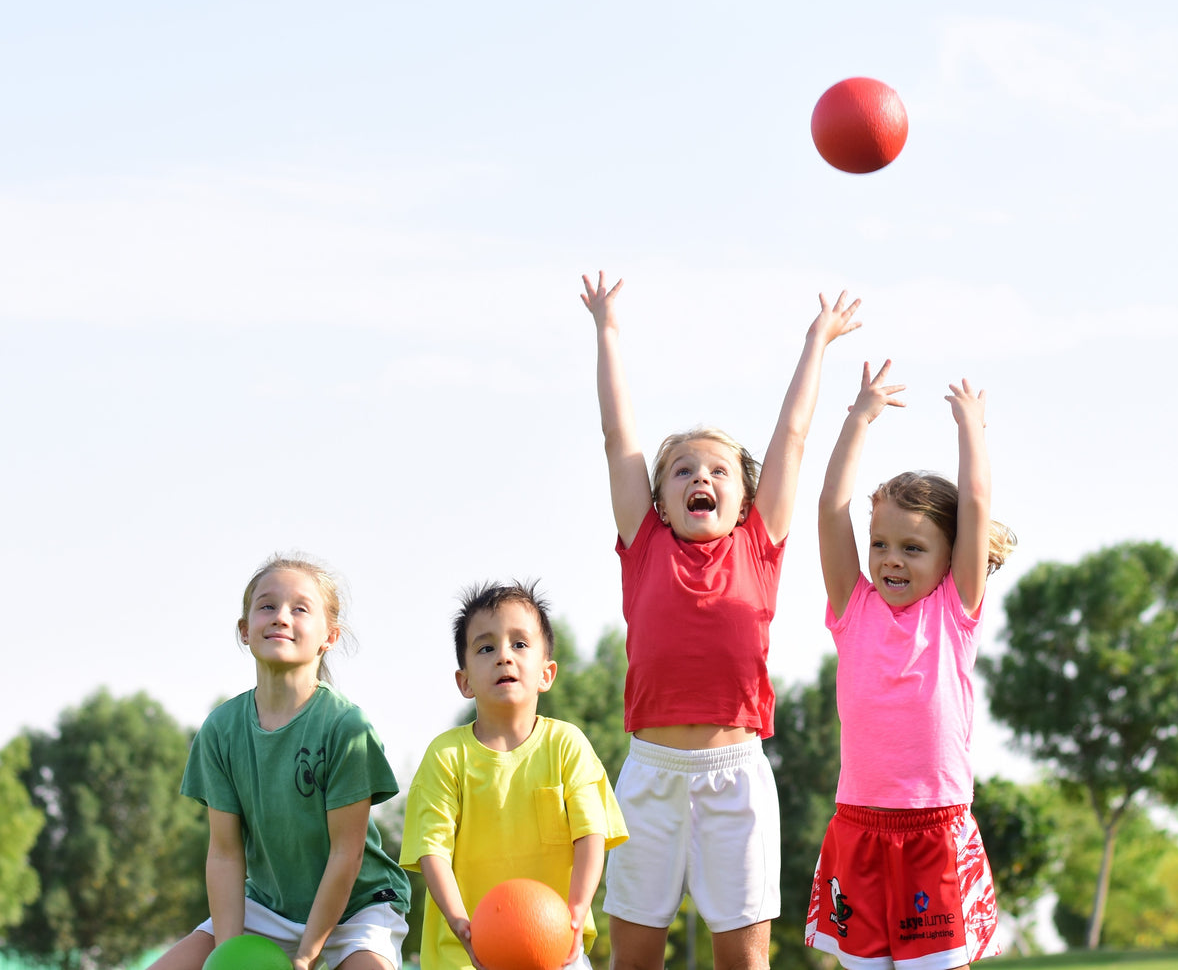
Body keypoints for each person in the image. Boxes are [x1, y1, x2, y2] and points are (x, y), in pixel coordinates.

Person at [580, 270, 861, 970]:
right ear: (660, 502)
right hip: (649, 774)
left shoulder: (757, 544)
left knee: (743, 960)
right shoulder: (644, 546)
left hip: (736, 775)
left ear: (743, 499)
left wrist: (816, 342)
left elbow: (792, 438)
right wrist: (607, 331)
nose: (698, 478)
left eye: (716, 471)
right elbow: (619, 437)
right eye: (679, 471)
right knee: (634, 957)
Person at [804, 361, 1017, 970]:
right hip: (859, 829)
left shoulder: (955, 610)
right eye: (880, 545)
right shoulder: (853, 606)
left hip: (936, 830)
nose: (890, 560)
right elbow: (829, 507)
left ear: (951, 557)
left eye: (913, 547)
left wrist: (971, 427)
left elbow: (975, 502)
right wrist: (859, 418)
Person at [150, 555, 411, 970]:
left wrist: (307, 955)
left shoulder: (346, 727)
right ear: (245, 630)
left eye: (300, 608)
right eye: (267, 606)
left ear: (330, 636)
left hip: (357, 906)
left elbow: (348, 854)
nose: (281, 617)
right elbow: (224, 854)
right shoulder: (221, 730)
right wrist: (233, 955)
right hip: (269, 907)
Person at [401, 580, 628, 970]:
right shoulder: (445, 756)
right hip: (463, 956)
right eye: (486, 647)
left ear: (546, 673)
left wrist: (575, 914)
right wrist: (462, 926)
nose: (503, 656)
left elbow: (591, 834)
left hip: (555, 950)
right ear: (465, 681)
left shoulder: (567, 744)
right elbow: (431, 851)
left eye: (519, 644)